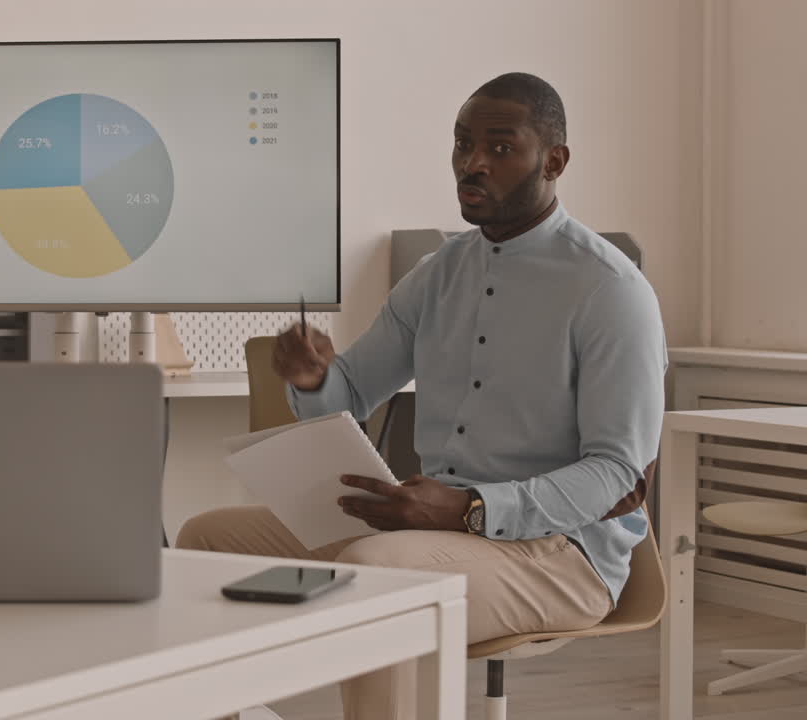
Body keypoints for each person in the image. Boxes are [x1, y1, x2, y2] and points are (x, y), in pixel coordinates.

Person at [176, 72, 667, 720]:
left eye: (498, 148)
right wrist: (314, 381)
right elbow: (351, 392)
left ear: (554, 161)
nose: (471, 164)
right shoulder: (437, 273)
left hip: (560, 555)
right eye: (462, 144)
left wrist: (468, 508)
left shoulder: (611, 290)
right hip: (433, 527)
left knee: (381, 572)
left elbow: (615, 474)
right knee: (203, 542)